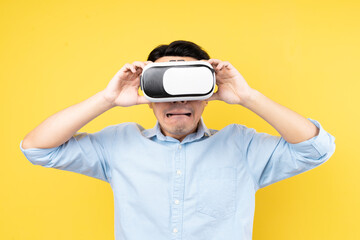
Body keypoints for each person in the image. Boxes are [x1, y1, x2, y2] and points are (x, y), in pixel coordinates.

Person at [20, 40, 335, 240]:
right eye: (165, 84)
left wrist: (248, 97)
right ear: (149, 96)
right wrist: (107, 98)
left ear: (208, 96)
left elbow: (316, 149)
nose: (178, 98)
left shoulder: (241, 145)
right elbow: (37, 148)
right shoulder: (119, 144)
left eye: (190, 84)